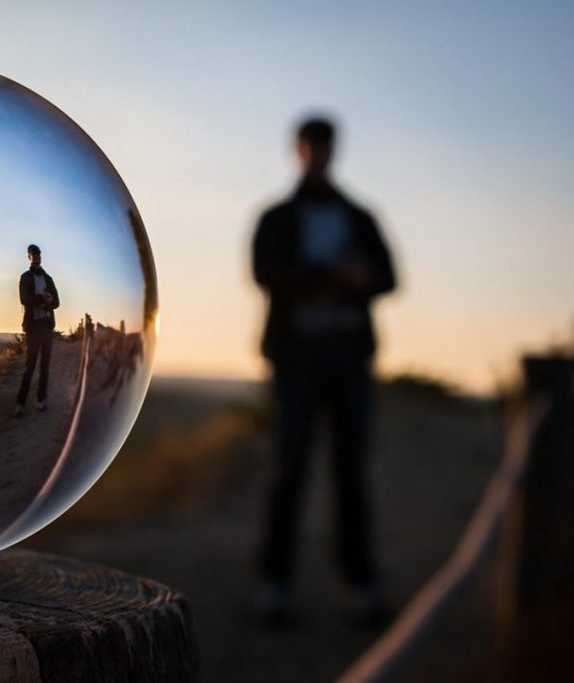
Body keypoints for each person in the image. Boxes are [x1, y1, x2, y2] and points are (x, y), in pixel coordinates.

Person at [251, 116, 396, 625]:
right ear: (299, 150)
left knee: (351, 472)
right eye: (311, 146)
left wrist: (357, 279)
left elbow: (389, 277)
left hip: (349, 358)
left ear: (334, 150)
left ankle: (359, 583)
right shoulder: (278, 216)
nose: (318, 154)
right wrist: (332, 274)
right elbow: (264, 274)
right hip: (297, 360)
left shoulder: (359, 216)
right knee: (289, 469)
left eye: (325, 146)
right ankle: (275, 584)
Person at [15, 244, 60, 416]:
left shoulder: (48, 278)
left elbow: (57, 302)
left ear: (41, 256)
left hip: (47, 326)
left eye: (38, 254)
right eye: (33, 254)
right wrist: (43, 299)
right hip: (33, 327)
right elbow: (24, 299)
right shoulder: (25, 277)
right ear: (29, 257)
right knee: (30, 366)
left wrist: (48, 301)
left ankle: (42, 400)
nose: (36, 257)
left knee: (45, 366)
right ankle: (20, 403)